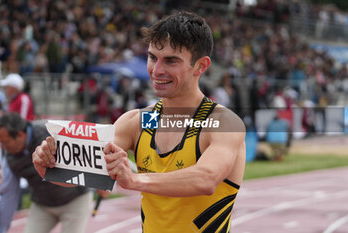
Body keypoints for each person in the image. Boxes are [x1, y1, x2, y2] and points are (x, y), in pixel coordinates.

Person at [33, 11, 246, 233]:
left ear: (201, 66)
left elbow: (206, 179)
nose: (157, 70)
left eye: (171, 61)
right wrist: (49, 167)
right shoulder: (137, 121)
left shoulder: (224, 123)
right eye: (153, 57)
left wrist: (134, 180)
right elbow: (80, 173)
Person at [0, 113, 95, 233]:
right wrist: (2, 229)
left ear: (20, 135)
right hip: (42, 205)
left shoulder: (51, 130)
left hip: (75, 199)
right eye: (0, 143)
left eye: (6, 142)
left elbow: (85, 150)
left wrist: (101, 180)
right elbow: (9, 194)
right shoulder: (10, 157)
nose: (2, 147)